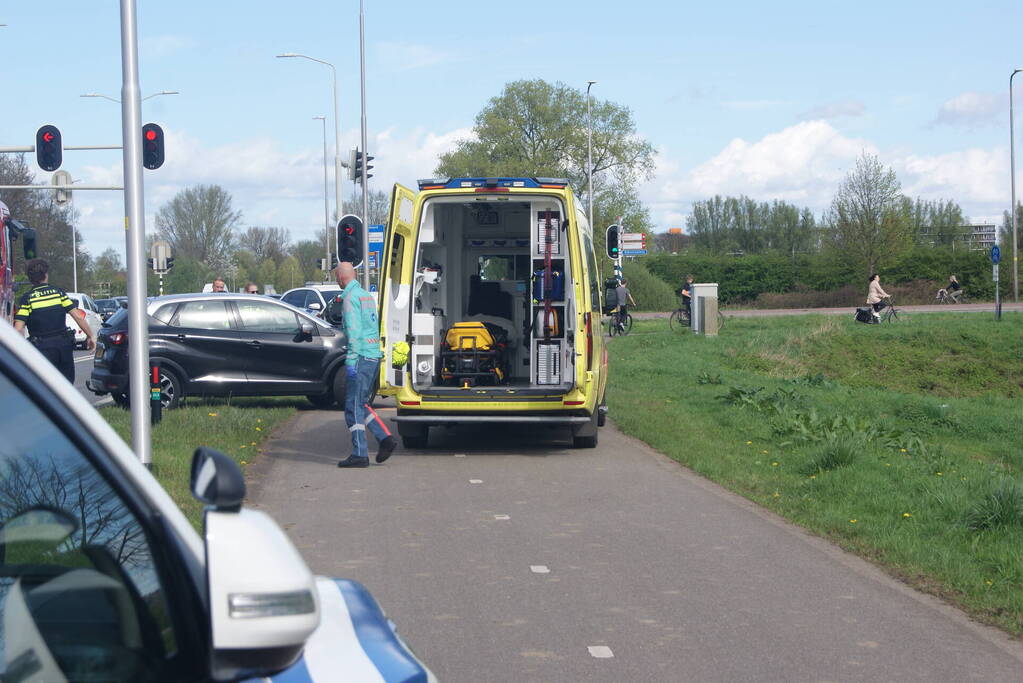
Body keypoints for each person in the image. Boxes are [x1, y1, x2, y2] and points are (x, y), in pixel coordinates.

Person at [334, 262, 396, 468]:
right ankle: (385, 438)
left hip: (360, 357)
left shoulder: (350, 298)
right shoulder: (365, 295)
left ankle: (360, 454)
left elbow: (354, 331)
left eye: (336, 276)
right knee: (360, 403)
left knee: (352, 407)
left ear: (340, 277)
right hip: (372, 356)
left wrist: (351, 361)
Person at [13, 258, 95, 382]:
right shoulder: (58, 293)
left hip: (41, 349)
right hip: (63, 346)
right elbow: (78, 316)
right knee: (66, 385)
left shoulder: (28, 299)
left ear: (30, 278)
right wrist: (90, 336)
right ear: (46, 275)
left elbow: (19, 328)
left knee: (44, 385)